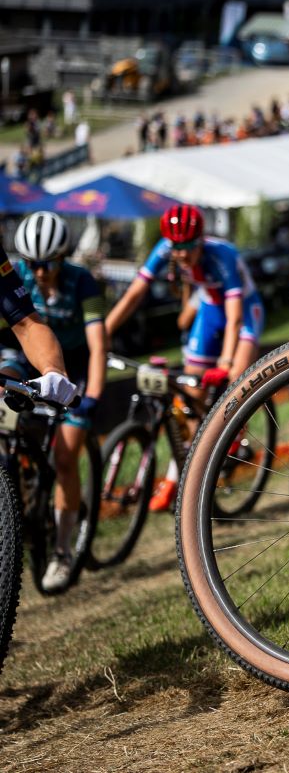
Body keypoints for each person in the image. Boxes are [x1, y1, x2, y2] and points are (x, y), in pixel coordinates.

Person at [104, 204, 265, 510]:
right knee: (192, 394)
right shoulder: (165, 248)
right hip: (211, 310)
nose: (181, 254)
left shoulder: (222, 255)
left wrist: (226, 361)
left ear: (200, 241)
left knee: (236, 381)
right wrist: (106, 330)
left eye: (188, 247)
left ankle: (235, 433)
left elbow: (234, 318)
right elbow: (136, 292)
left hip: (244, 311)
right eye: (176, 248)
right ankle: (186, 471)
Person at [2, 213, 94, 591]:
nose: (39, 272)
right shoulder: (23, 272)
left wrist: (58, 374)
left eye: (48, 264)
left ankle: (61, 551)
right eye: (33, 264)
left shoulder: (81, 281)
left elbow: (27, 324)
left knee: (66, 458)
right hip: (21, 360)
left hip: (75, 366)